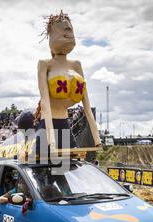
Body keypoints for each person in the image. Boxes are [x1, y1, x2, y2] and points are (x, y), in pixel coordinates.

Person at [35, 11, 101, 151]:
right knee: (40, 167)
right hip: (47, 127)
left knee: (71, 166)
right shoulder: (45, 64)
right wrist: (51, 142)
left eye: (70, 29)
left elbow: (87, 106)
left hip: (64, 123)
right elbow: (45, 103)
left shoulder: (76, 65)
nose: (69, 33)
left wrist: (97, 139)